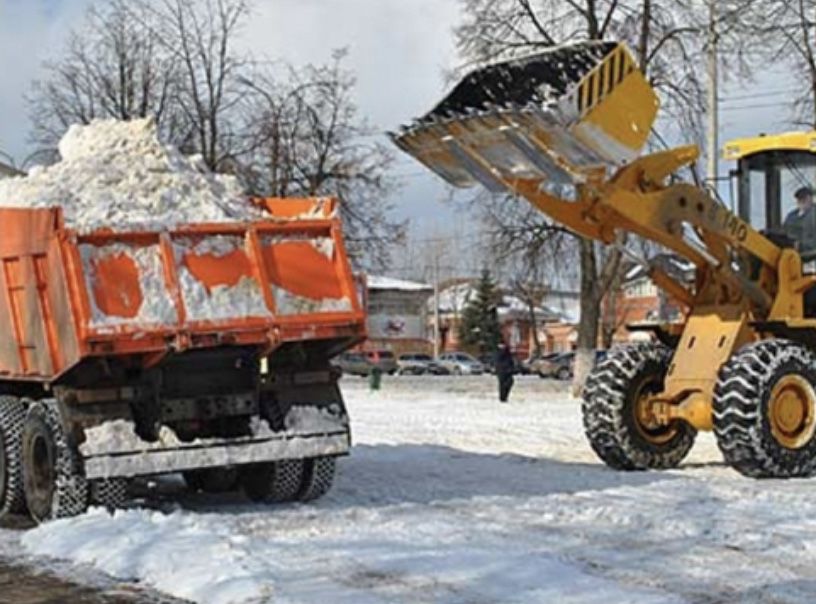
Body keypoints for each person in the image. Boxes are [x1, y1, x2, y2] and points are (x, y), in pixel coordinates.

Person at [783, 186, 816, 257]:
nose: (802, 201)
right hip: (790, 253)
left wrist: (801, 245)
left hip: (811, 254)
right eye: (799, 199)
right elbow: (783, 232)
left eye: (805, 198)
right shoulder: (791, 216)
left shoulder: (813, 214)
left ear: (810, 198)